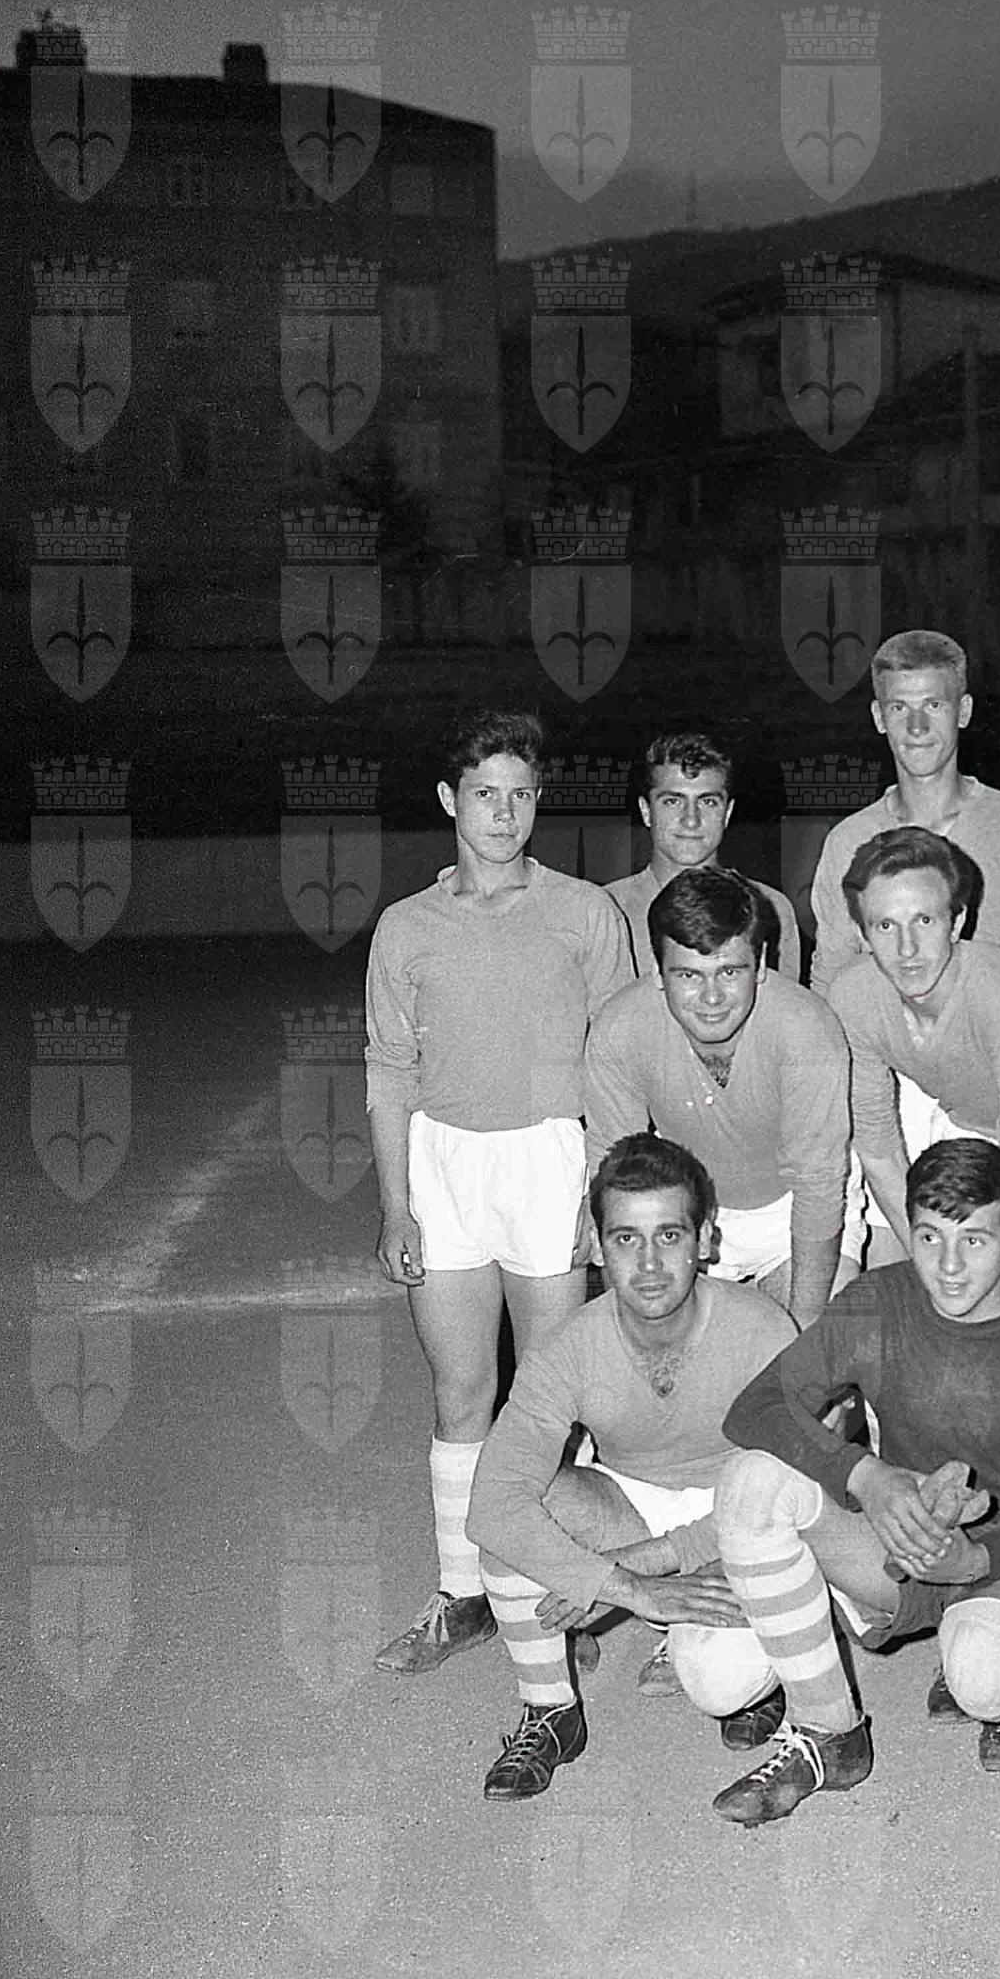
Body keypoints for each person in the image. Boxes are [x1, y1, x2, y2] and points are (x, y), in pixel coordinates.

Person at [706, 1139, 1000, 1825]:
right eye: (929, 1237)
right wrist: (866, 1474)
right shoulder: (878, 1300)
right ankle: (829, 1731)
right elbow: (754, 1408)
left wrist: (981, 1557)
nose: (948, 1265)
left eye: (974, 1240)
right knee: (750, 1480)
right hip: (900, 1540)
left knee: (986, 1682)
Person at [365, 707, 634, 1677]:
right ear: (450, 799)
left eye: (521, 795)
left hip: (550, 1162)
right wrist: (396, 1205)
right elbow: (389, 1069)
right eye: (486, 793)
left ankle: (559, 1587)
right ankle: (463, 1593)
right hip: (444, 1164)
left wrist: (602, 1190)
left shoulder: (584, 913)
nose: (504, 814)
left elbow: (617, 1059)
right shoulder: (406, 927)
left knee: (550, 1396)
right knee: (461, 1391)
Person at [464, 1135, 798, 1798]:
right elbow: (491, 1505)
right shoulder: (569, 1347)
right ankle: (550, 1709)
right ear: (597, 1246)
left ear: (706, 1239)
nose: (648, 1264)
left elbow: (795, 1491)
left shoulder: (761, 1329)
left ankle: (767, 1673)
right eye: (626, 1239)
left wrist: (647, 1565)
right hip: (632, 1505)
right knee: (520, 1515)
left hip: (737, 1520)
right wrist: (631, 1589)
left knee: (719, 1683)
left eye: (669, 1235)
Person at [830, 827, 1000, 1297]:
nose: (907, 949)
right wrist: (925, 1251)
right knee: (937, 1293)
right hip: (969, 1128)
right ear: (862, 935)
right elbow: (877, 1146)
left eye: (924, 921)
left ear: (957, 922)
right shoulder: (852, 997)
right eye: (885, 926)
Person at [584, 867, 854, 1331]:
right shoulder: (621, 1028)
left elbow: (818, 1186)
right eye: (689, 974)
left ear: (761, 964)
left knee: (812, 1352)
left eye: (729, 972)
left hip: (790, 1206)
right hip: (683, 1207)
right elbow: (619, 1179)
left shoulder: (807, 1030)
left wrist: (805, 1337)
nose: (712, 998)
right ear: (658, 973)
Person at [808, 629, 1000, 1000]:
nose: (916, 727)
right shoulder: (847, 841)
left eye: (933, 705)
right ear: (878, 716)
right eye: (899, 707)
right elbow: (831, 974)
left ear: (963, 711)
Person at [605, 730, 802, 980]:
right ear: (646, 811)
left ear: (727, 812)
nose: (691, 820)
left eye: (708, 802)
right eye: (672, 801)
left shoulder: (771, 908)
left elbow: (782, 1002)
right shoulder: (607, 909)